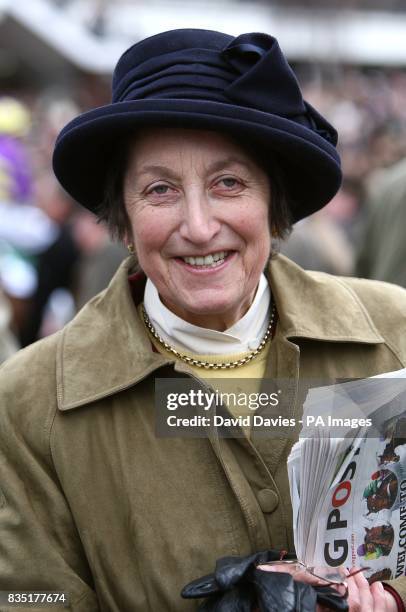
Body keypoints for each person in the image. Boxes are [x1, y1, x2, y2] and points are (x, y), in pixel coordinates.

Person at [0, 28, 405, 612]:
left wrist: (391, 597)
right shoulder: (28, 403)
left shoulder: (393, 333)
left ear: (272, 199)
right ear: (124, 214)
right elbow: (26, 598)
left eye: (228, 183)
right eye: (160, 189)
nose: (197, 225)